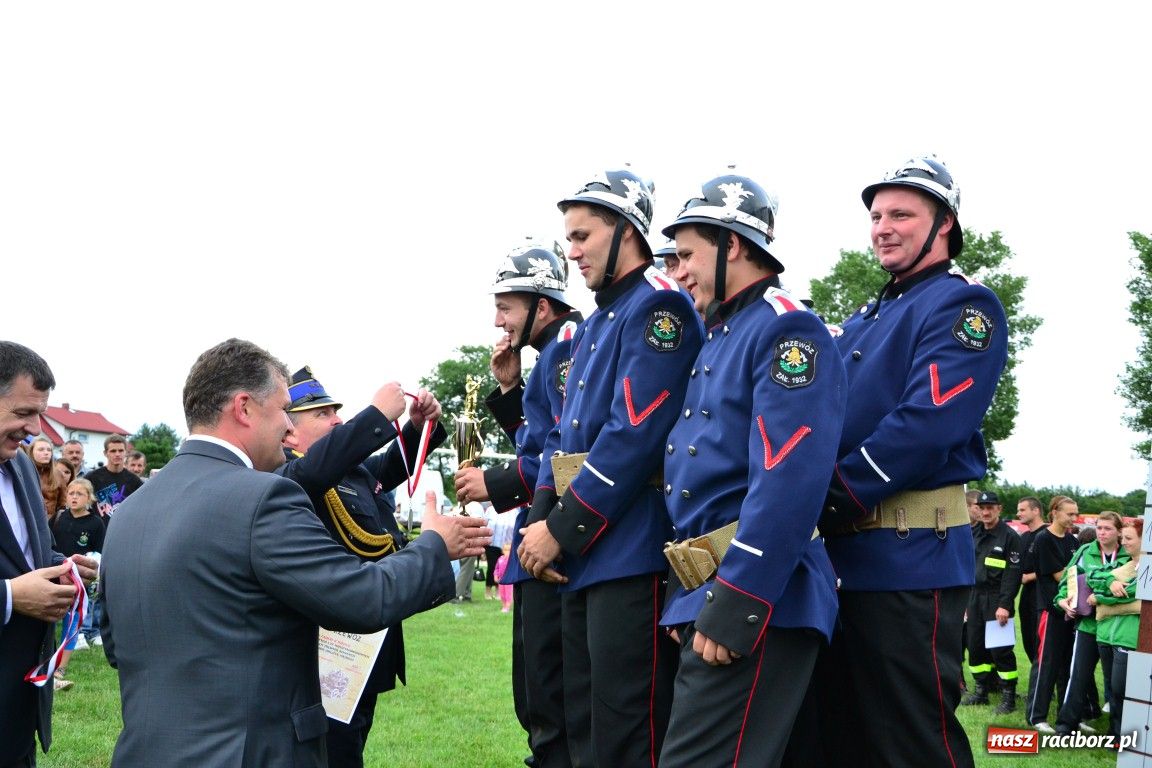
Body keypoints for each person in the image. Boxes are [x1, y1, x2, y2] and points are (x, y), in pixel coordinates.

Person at [99, 338, 489, 767]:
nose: (287, 428)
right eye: (285, 410)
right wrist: (434, 545)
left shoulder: (129, 511)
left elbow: (117, 647)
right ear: (244, 408)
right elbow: (363, 598)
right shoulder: (264, 496)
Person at [818, 155, 1008, 768]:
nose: (883, 228)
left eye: (901, 214)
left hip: (908, 557)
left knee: (911, 742)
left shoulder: (963, 306)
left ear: (944, 223)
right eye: (876, 216)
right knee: (841, 742)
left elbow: (927, 425)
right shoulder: (866, 317)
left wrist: (829, 496)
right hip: (842, 559)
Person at [657, 173, 845, 767]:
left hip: (760, 596)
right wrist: (691, 599)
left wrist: (736, 600)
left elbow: (789, 480)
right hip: (715, 589)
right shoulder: (723, 330)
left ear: (732, 245)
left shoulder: (786, 327)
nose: (678, 272)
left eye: (687, 255)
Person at [519, 167, 704, 766]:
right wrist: (541, 519)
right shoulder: (598, 321)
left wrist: (560, 528)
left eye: (582, 237)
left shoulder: (661, 308)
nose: (571, 253)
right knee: (584, 727)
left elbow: (633, 437)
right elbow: (561, 436)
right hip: (588, 549)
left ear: (626, 231)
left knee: (628, 734)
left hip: (632, 547)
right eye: (568, 239)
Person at [276, 365, 447, 768]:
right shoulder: (286, 474)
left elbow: (390, 466)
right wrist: (376, 415)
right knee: (333, 752)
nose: (337, 420)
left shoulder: (350, 471)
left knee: (351, 744)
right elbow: (318, 469)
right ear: (289, 432)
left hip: (367, 639)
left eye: (336, 412)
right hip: (325, 646)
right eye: (322, 414)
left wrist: (418, 426)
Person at [453, 242, 583, 768]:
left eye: (506, 307)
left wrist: (494, 481)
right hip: (540, 537)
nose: (498, 320)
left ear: (542, 306)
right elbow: (540, 439)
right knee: (536, 697)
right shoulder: (551, 352)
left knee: (549, 701)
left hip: (553, 540)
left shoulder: (565, 348)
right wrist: (510, 388)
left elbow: (564, 453)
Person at [0, 341, 97, 768]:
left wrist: (60, 567)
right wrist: (9, 596)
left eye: (40, 413)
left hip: (18, 707)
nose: (35, 429)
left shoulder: (21, 465)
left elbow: (26, 553)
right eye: (24, 413)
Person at [1051, 510, 1124, 734]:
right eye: (1099, 528)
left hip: (1115, 626)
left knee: (1116, 683)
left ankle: (1117, 732)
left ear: (1119, 532)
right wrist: (1062, 600)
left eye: (1108, 528)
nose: (1102, 533)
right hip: (1088, 625)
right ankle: (1066, 725)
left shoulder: (1128, 554)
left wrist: (1099, 591)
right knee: (1078, 677)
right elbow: (1068, 580)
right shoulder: (1086, 550)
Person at [960, 490, 1022, 713]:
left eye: (990, 508)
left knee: (1000, 649)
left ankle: (1008, 697)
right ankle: (981, 692)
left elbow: (1013, 575)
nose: (985, 512)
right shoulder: (973, 533)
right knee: (976, 646)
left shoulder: (1010, 537)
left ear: (999, 509)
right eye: (982, 508)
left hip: (997, 599)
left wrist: (1004, 605)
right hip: (974, 598)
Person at [1026, 495, 1081, 731]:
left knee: (1068, 664)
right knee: (1047, 662)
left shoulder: (1072, 541)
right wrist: (1079, 577)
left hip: (1071, 610)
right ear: (1055, 512)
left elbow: (1077, 572)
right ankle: (1037, 716)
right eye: (1069, 513)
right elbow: (1062, 576)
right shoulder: (1043, 539)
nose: (1073, 518)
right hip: (1051, 609)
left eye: (1076, 513)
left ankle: (1066, 715)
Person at [47, 478, 104, 692]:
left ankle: (61, 668)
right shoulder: (59, 518)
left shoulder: (95, 523)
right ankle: (46, 661)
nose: (74, 497)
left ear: (89, 498)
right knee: (48, 621)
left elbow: (99, 553)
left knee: (71, 622)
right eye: (71, 493)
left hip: (78, 581)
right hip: (54, 575)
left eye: (79, 494)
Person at [1087, 517, 1142, 737]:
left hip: (1128, 637)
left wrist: (1100, 598)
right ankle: (1114, 733)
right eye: (1123, 538)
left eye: (1128, 538)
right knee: (1112, 690)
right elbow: (1093, 576)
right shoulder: (1124, 564)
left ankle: (1125, 735)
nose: (1123, 542)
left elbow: (1134, 595)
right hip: (1105, 636)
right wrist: (1110, 583)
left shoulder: (1146, 571)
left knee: (1121, 689)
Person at [83, 435, 143, 521]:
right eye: (113, 451)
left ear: (126, 452)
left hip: (122, 526)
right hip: (98, 527)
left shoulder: (135, 481)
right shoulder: (91, 477)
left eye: (121, 451)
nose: (117, 454)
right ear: (105, 453)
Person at [21, 437, 65, 520]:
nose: (46, 453)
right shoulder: (23, 472)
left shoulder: (58, 474)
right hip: (27, 520)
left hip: (50, 522)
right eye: (41, 449)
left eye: (49, 450)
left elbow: (62, 503)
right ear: (31, 452)